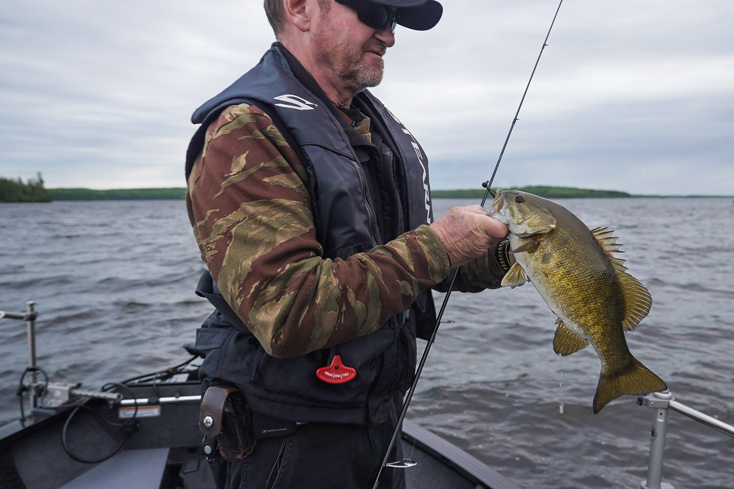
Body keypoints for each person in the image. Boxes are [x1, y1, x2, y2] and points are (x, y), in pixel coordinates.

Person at [184, 0, 510, 487]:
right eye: (375, 13)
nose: (390, 35)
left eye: (395, 21)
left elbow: (412, 265)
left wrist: (513, 251)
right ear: (299, 8)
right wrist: (440, 244)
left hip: (376, 416)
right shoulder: (245, 129)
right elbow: (288, 309)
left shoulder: (367, 128)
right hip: (287, 436)